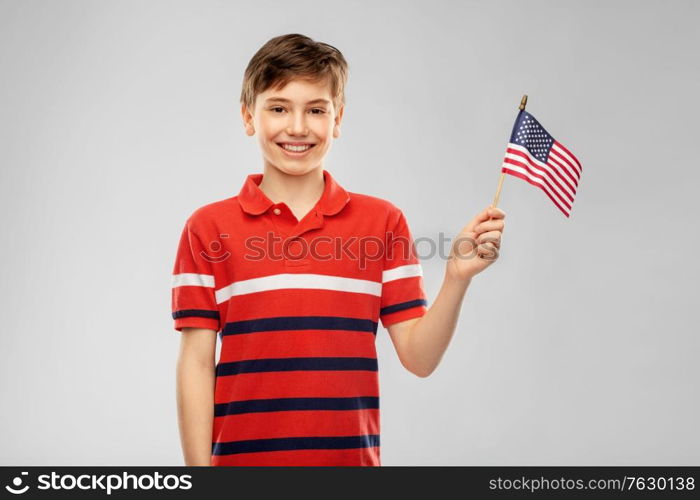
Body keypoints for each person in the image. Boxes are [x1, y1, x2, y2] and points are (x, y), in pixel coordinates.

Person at [171, 33, 506, 466]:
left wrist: (456, 278)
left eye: (316, 110)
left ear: (338, 119)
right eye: (278, 108)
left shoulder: (382, 223)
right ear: (248, 116)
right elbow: (196, 365)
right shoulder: (207, 229)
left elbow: (419, 358)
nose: (297, 126)